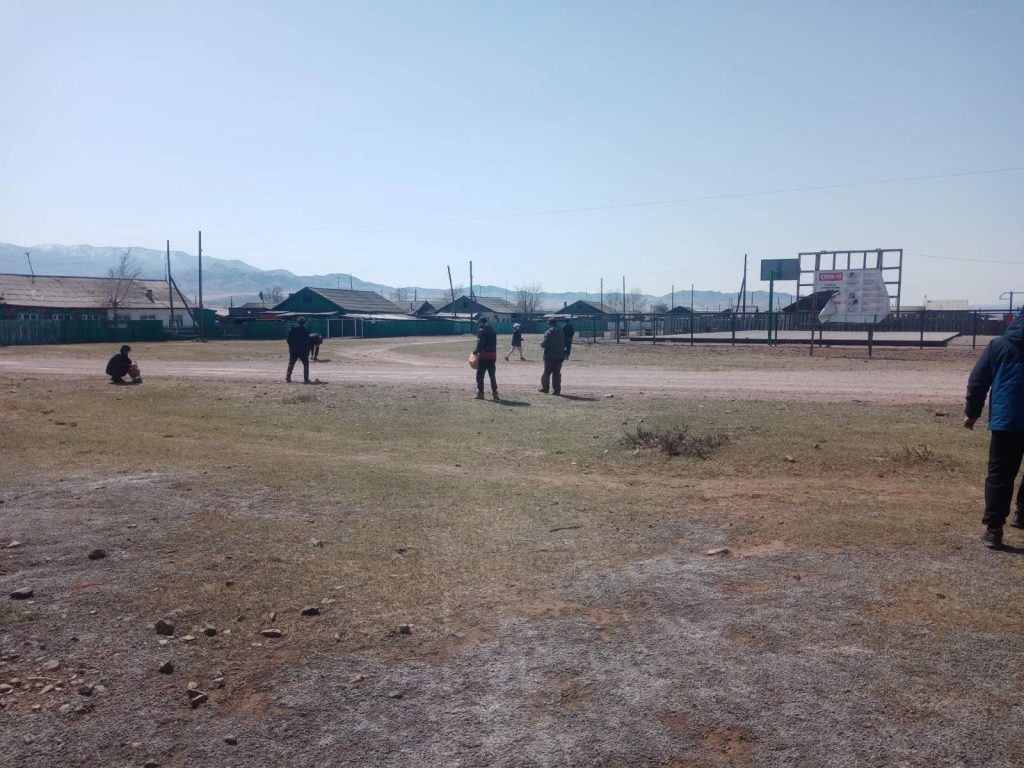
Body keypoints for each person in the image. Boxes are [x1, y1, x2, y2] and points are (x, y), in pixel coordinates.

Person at [965, 309, 1024, 548]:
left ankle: (994, 528)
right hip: (1006, 418)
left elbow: (978, 380)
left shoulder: (998, 346)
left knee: (1000, 474)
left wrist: (972, 412)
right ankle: (1022, 513)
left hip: (1007, 419)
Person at [473, 316, 499, 399]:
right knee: (492, 376)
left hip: (484, 356)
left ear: (481, 323)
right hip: (493, 356)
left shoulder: (481, 331)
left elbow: (480, 344)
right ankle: (495, 393)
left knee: (480, 376)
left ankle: (480, 394)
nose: (479, 325)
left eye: (479, 323)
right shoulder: (493, 331)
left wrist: (475, 351)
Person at [539, 317, 566, 395]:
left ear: (549, 324)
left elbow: (544, 344)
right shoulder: (561, 331)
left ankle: (545, 388)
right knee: (557, 373)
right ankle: (557, 390)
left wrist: (541, 343)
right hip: (560, 356)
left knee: (546, 373)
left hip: (550, 356)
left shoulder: (548, 332)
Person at [285, 317, 312, 383]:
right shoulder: (306, 330)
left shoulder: (292, 329)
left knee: (291, 364)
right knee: (306, 365)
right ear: (304, 323)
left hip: (294, 350)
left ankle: (288, 377)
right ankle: (306, 379)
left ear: (297, 322)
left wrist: (291, 347)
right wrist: (307, 351)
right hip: (303, 351)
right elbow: (308, 342)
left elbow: (288, 340)